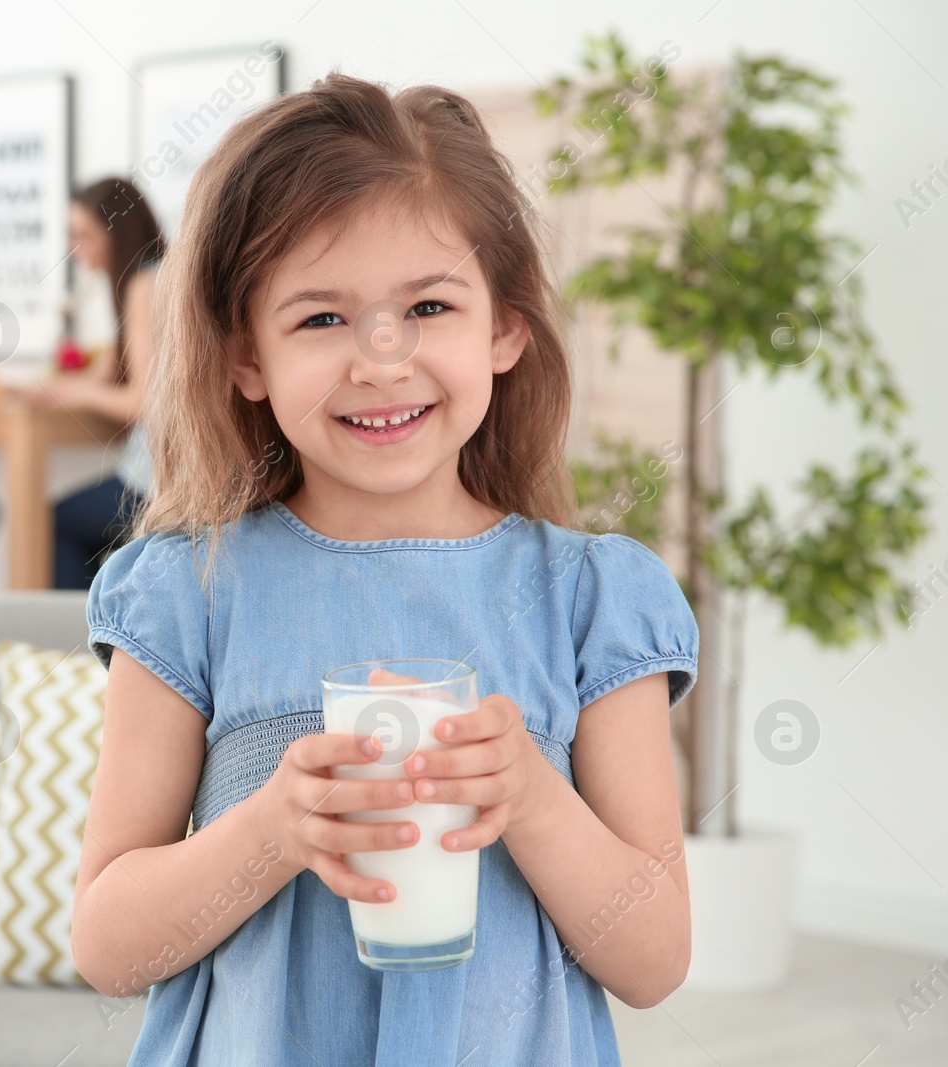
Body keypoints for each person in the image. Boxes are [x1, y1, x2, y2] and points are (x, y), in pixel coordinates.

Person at [71, 73, 701, 1067]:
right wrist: (271, 831)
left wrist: (533, 798)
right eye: (320, 319)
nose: (380, 357)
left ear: (504, 329)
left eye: (428, 305)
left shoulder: (593, 601)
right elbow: (107, 944)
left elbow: (654, 955)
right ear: (246, 356)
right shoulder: (187, 593)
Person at [9, 177, 164, 589]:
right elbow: (113, 373)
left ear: (118, 233)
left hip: (160, 483)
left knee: (55, 523)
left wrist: (67, 392)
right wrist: (54, 386)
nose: (73, 248)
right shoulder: (163, 274)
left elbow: (142, 403)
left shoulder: (145, 284)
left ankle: (76, 644)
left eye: (84, 235)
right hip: (178, 476)